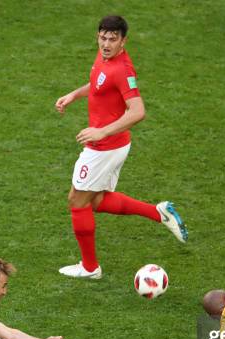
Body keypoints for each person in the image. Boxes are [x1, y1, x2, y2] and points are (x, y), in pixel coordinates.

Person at [54, 15, 188, 279]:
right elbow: (100, 84)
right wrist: (74, 95)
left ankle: (90, 268)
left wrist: (102, 130)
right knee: (97, 200)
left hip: (105, 146)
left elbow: (138, 111)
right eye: (102, 37)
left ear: (123, 41)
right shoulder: (104, 59)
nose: (106, 44)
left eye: (112, 39)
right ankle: (158, 212)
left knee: (77, 201)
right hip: (109, 145)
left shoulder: (123, 70)